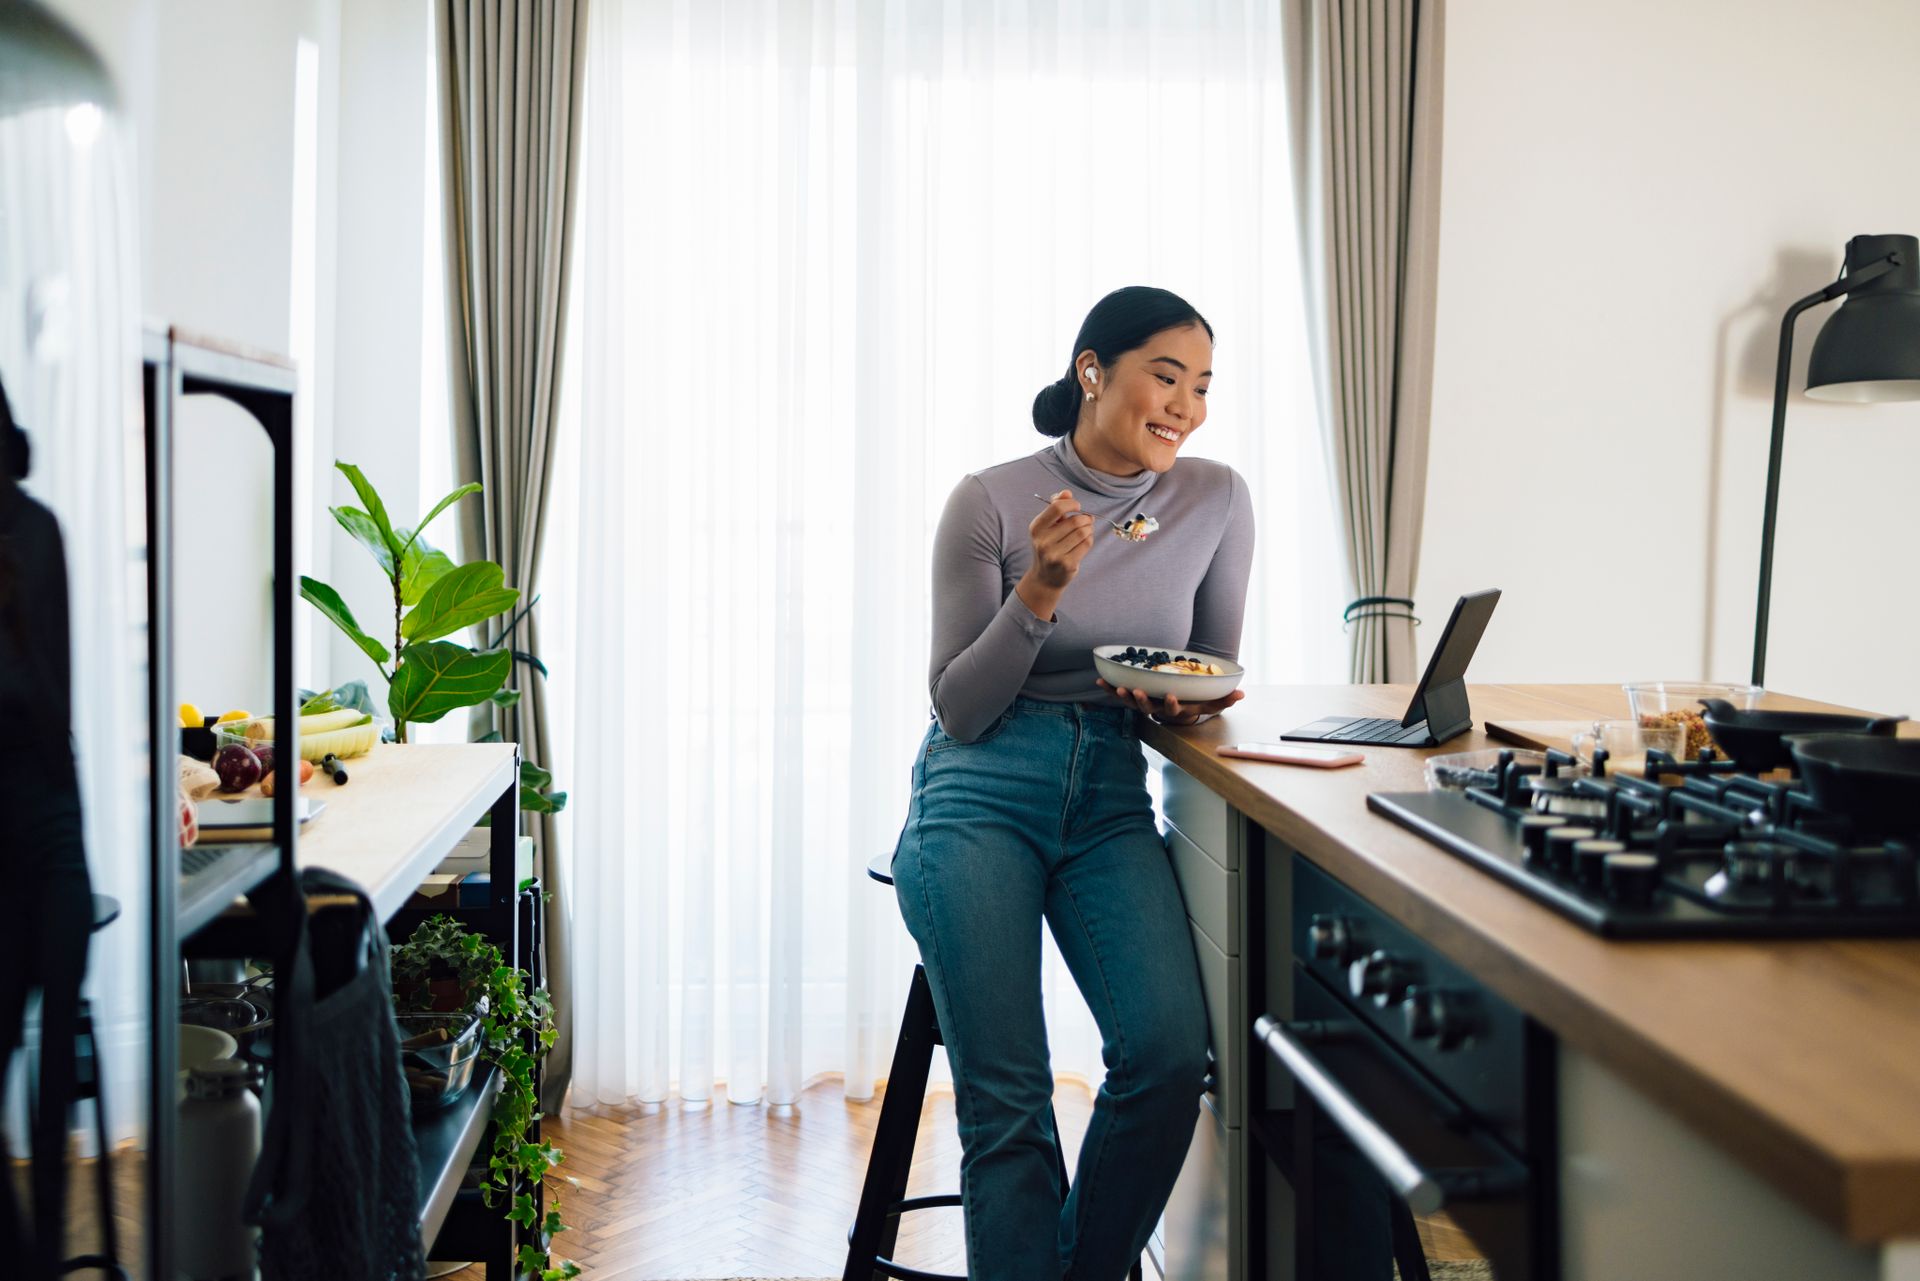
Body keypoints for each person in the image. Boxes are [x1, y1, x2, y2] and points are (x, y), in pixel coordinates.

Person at [891, 286, 1254, 1279]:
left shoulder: (1214, 497)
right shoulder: (992, 501)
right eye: (1166, 376)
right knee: (1008, 1105)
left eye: (1203, 386)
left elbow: (1214, 664)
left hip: (1107, 794)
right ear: (1095, 371)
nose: (1186, 404)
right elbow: (958, 707)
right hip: (977, 792)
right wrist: (1041, 590)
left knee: (1170, 1054)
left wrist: (1188, 704)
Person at [0, 373, 94, 1280]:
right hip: (24, 836)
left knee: (54, 1070)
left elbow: (45, 705)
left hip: (51, 837)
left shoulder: (35, 531)